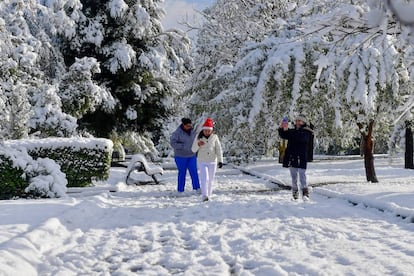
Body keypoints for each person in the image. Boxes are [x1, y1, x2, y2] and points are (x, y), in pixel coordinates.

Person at [278, 114, 314, 200]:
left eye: (299, 121)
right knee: (293, 176)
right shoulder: (293, 131)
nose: (297, 122)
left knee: (302, 175)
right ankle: (294, 192)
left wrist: (288, 131)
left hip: (301, 157)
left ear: (303, 122)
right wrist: (282, 128)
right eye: (297, 120)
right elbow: (284, 135)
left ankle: (305, 193)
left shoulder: (307, 131)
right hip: (292, 156)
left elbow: (301, 137)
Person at [191, 118, 223, 202]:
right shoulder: (198, 137)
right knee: (204, 178)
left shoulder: (215, 137)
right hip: (202, 161)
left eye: (208, 130)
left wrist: (220, 160)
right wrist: (198, 144)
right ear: (203, 130)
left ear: (211, 131)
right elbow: (193, 150)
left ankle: (209, 194)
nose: (207, 132)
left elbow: (218, 149)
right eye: (205, 130)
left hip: (212, 161)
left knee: (211, 179)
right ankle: (204, 195)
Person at [170, 118, 200, 193]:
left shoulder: (193, 132)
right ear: (183, 125)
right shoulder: (177, 133)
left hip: (192, 156)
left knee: (194, 172)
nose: (189, 127)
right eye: (187, 126)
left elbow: (197, 140)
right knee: (182, 173)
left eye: (190, 125)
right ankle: (180, 190)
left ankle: (197, 188)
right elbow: (173, 143)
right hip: (180, 157)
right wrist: (183, 146)